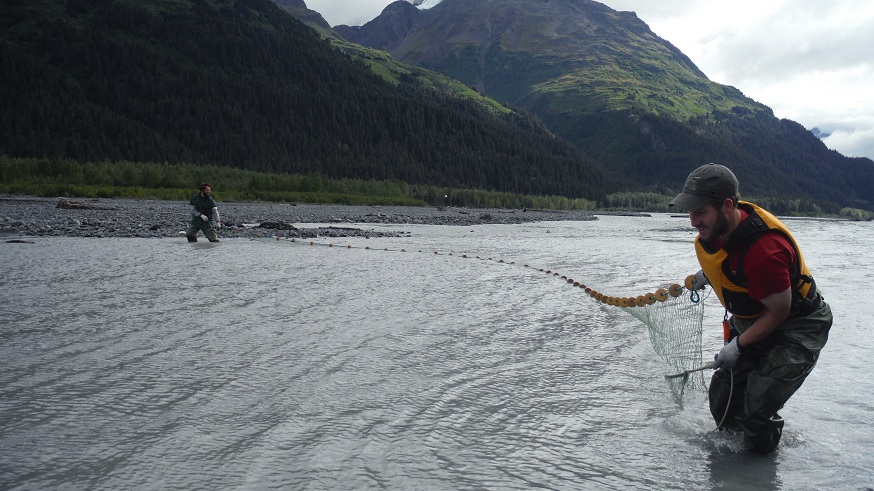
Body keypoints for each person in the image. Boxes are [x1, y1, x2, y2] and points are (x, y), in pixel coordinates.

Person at [669, 163, 832, 454]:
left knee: (756, 408)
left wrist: (738, 346)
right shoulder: (721, 227)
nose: (693, 220)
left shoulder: (764, 251)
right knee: (723, 398)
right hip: (756, 316)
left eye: (700, 212)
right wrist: (708, 275)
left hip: (797, 325)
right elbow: (730, 260)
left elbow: (780, 311)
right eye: (690, 211)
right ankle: (731, 470)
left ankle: (760, 466)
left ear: (727, 205)